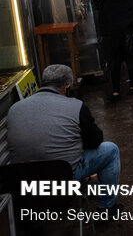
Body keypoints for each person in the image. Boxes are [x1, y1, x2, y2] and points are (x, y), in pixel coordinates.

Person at [7, 64, 123, 215]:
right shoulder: (76, 105)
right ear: (67, 86)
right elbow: (95, 140)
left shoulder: (15, 108)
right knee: (111, 149)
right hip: (63, 178)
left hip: (24, 180)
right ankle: (106, 208)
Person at [100, 0, 133, 99]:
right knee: (114, 66)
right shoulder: (108, 3)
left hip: (129, 38)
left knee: (131, 63)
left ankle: (132, 86)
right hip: (114, 40)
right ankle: (116, 90)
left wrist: (130, 25)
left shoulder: (129, 1)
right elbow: (103, 21)